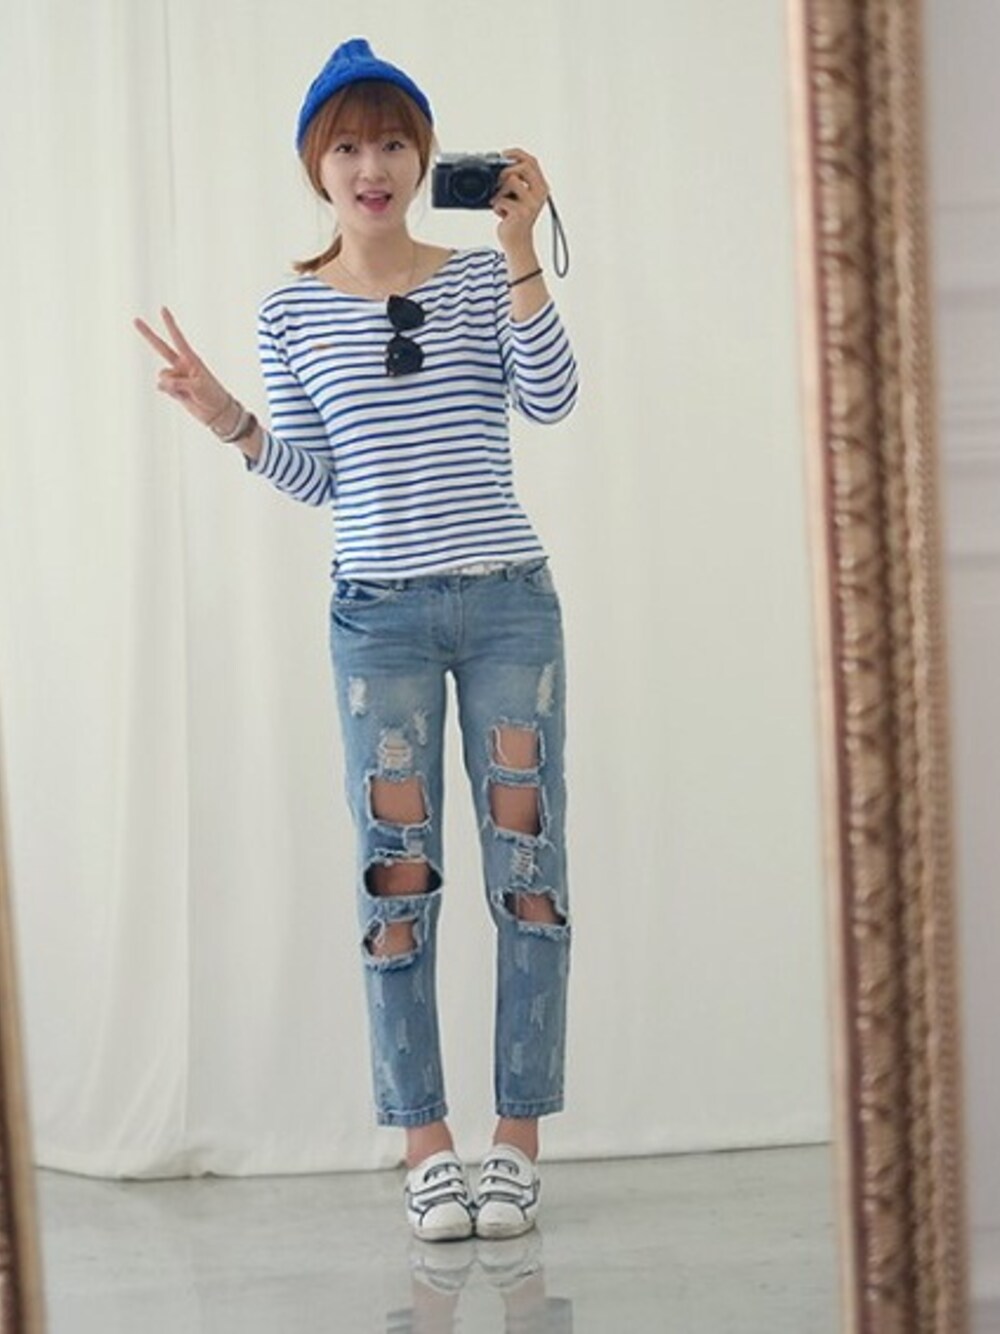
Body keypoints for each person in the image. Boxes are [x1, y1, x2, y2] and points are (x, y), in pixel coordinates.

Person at [135, 36, 578, 1243]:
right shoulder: (290, 309)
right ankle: (425, 1143)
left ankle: (516, 1142)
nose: (371, 167)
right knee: (396, 875)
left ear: (427, 159)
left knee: (529, 875)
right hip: (376, 616)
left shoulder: (480, 278)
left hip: (506, 602)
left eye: (391, 143)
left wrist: (522, 253)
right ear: (315, 168)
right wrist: (227, 417)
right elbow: (322, 476)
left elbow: (551, 399)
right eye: (347, 148)